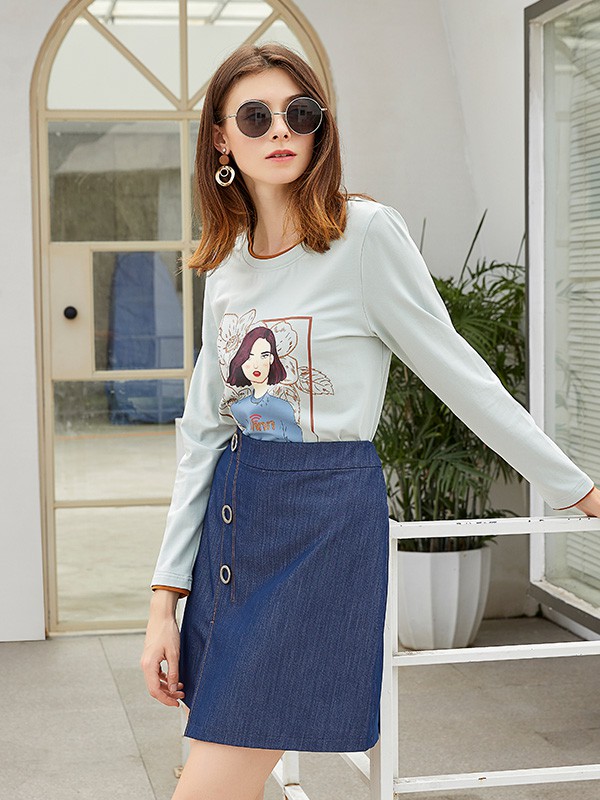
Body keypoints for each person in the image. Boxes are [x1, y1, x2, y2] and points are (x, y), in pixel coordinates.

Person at [140, 42, 599, 800]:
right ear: (220, 138)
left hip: (322, 524)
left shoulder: (365, 235)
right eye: (254, 116)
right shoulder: (225, 265)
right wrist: (165, 600)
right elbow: (203, 432)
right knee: (213, 758)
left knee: (214, 775)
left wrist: (577, 488)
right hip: (233, 524)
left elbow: (461, 376)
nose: (280, 129)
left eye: (300, 113)